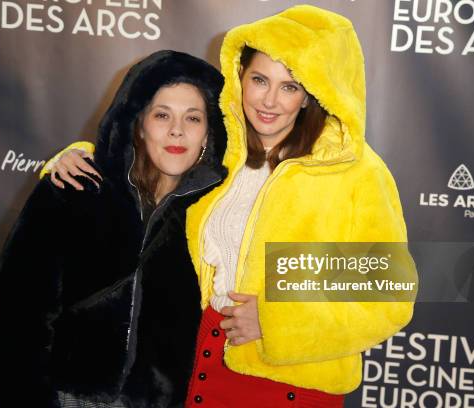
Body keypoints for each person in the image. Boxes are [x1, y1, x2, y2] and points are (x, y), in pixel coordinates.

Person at [44, 5, 417, 407]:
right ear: (240, 78)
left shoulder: (357, 172)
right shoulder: (218, 148)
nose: (269, 100)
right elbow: (141, 161)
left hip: (287, 380)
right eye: (259, 80)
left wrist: (277, 322)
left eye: (289, 86)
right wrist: (78, 158)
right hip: (192, 361)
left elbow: (387, 294)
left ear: (311, 94)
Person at [0, 50, 227, 408]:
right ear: (138, 125)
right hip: (66, 398)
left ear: (208, 132)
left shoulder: (211, 212)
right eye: (162, 115)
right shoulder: (76, 187)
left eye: (193, 118)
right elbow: (16, 317)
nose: (177, 130)